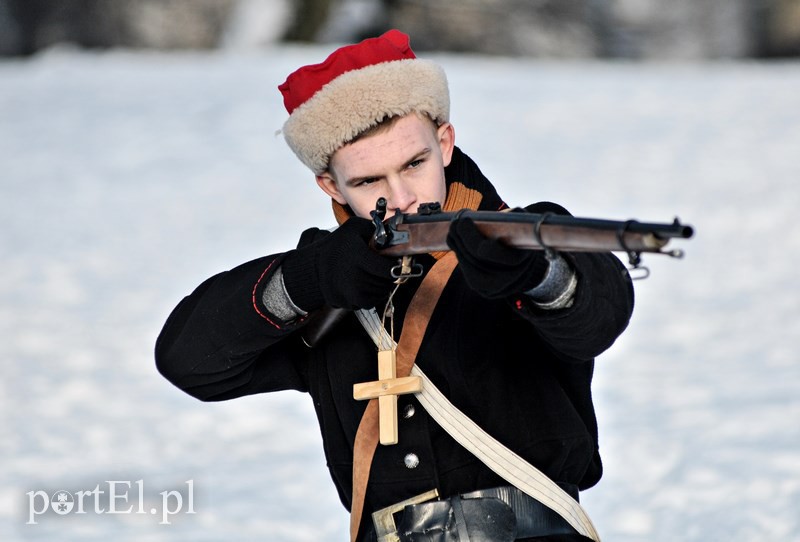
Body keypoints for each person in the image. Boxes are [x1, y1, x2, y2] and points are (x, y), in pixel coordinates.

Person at [155, 29, 634, 542]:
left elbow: (598, 315)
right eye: (368, 181)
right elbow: (189, 362)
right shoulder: (328, 279)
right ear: (330, 185)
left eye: (414, 164)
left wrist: (535, 273)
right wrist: (308, 279)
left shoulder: (525, 234)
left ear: (444, 144)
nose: (401, 197)